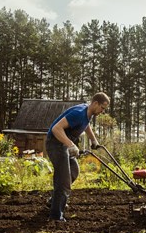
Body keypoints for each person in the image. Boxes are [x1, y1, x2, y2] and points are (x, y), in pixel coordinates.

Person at [45, 92, 110, 222]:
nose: (102, 111)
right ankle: (56, 216)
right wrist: (70, 145)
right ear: (95, 103)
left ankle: (54, 200)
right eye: (102, 108)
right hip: (55, 144)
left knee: (74, 171)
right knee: (63, 179)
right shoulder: (79, 113)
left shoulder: (88, 113)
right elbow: (56, 129)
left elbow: (86, 125)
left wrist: (93, 141)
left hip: (63, 145)